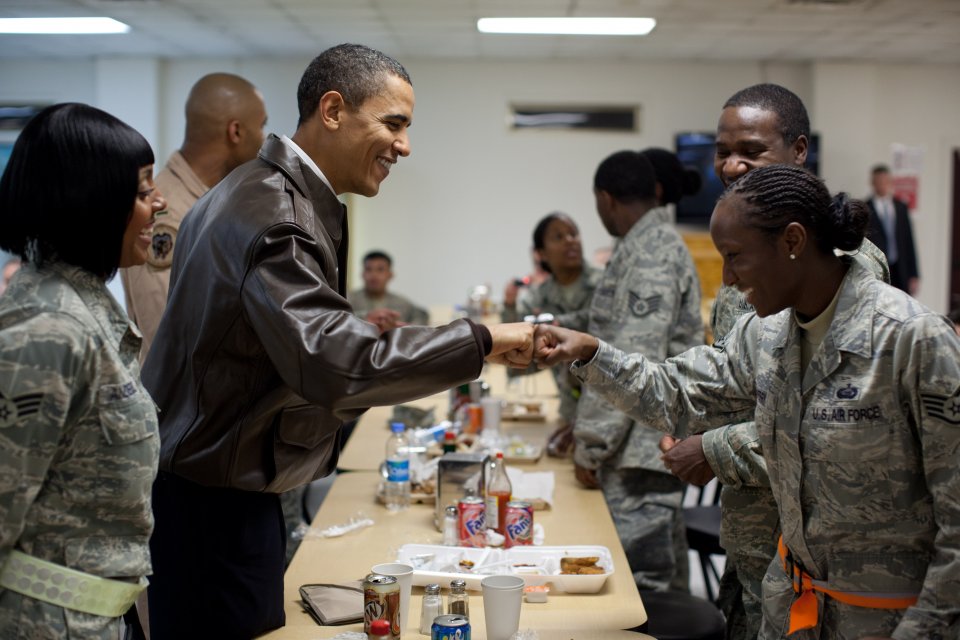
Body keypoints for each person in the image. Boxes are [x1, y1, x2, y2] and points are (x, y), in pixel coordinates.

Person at [141, 43, 534, 639]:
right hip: (212, 501)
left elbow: (283, 344)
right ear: (332, 110)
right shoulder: (278, 214)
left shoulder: (259, 190)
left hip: (210, 484)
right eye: (393, 124)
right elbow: (338, 366)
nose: (404, 145)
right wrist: (481, 340)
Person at [536, 163, 960, 639]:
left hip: (888, 624)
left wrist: (926, 629)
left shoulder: (911, 341)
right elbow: (676, 389)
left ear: (793, 242)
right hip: (792, 617)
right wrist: (589, 352)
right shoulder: (768, 335)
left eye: (736, 256)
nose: (729, 278)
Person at [661, 82, 891, 640]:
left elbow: (829, 427)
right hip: (751, 538)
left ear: (798, 151)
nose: (733, 165)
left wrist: (714, 449)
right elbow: (745, 380)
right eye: (722, 150)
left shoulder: (838, 265)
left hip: (812, 564)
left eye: (752, 150)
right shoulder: (752, 247)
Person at [0, 103, 166, 638]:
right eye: (143, 191)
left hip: (94, 614)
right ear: (93, 203)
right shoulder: (49, 328)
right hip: (45, 621)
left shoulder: (85, 309)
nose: (159, 203)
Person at [574, 150, 703, 593]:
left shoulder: (652, 254)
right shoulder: (649, 245)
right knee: (664, 580)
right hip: (647, 443)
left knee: (640, 590)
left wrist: (592, 445)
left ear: (606, 199)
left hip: (641, 448)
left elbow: (630, 360)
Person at [120, 72, 267, 362]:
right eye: (261, 127)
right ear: (235, 132)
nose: (264, 141)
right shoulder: (167, 213)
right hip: (179, 404)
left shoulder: (215, 202)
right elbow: (167, 337)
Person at [501, 212, 602, 456]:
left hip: (609, 413)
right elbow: (516, 360)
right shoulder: (538, 296)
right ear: (541, 253)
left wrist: (556, 325)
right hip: (570, 415)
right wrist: (509, 307)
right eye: (559, 237)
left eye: (573, 234)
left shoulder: (605, 284)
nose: (570, 241)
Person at [865, 164, 919, 295]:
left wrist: (914, 273)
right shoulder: (865, 208)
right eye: (879, 181)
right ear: (873, 183)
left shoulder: (900, 207)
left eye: (885, 181)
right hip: (876, 268)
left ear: (890, 183)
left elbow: (908, 240)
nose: (882, 184)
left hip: (899, 268)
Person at [347, 249, 429, 331]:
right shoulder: (349, 299)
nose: (374, 275)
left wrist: (406, 329)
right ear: (362, 274)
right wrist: (364, 318)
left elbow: (422, 315)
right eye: (369, 269)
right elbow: (339, 319)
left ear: (390, 275)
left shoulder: (402, 303)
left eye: (380, 269)